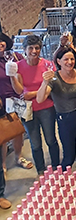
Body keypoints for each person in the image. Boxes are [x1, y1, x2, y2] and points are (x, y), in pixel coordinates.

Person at [35, 46, 76, 170]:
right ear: (58, 61)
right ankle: (64, 179)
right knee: (69, 154)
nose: (70, 62)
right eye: (66, 59)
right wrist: (44, 82)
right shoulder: (54, 79)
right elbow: (40, 99)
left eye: (72, 59)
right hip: (66, 118)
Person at [8, 35, 61, 174]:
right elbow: (20, 92)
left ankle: (56, 167)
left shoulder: (48, 65)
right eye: (30, 48)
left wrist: (31, 94)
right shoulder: (17, 67)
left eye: (37, 48)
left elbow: (52, 88)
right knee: (35, 143)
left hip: (47, 108)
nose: (34, 51)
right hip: (28, 110)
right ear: (24, 50)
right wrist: (39, 93)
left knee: (51, 139)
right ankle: (41, 171)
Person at [0, 33, 33, 172]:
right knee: (3, 131)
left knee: (18, 130)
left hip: (17, 98)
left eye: (1, 41)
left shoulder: (16, 57)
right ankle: (2, 165)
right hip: (1, 100)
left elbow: (24, 74)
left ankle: (18, 157)